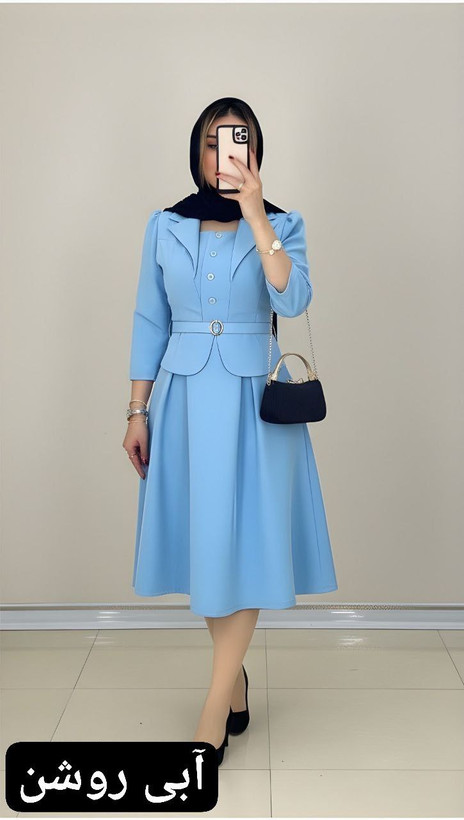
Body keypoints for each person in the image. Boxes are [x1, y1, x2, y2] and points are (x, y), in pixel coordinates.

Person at [122, 96, 338, 765]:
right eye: (212, 143)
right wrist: (137, 411)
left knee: (248, 545)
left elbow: (292, 298)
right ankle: (234, 679)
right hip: (184, 399)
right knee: (209, 542)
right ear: (197, 152)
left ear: (255, 152)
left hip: (255, 404)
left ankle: (212, 711)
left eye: (236, 142)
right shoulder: (164, 225)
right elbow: (149, 319)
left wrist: (256, 214)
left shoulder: (283, 223)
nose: (224, 155)